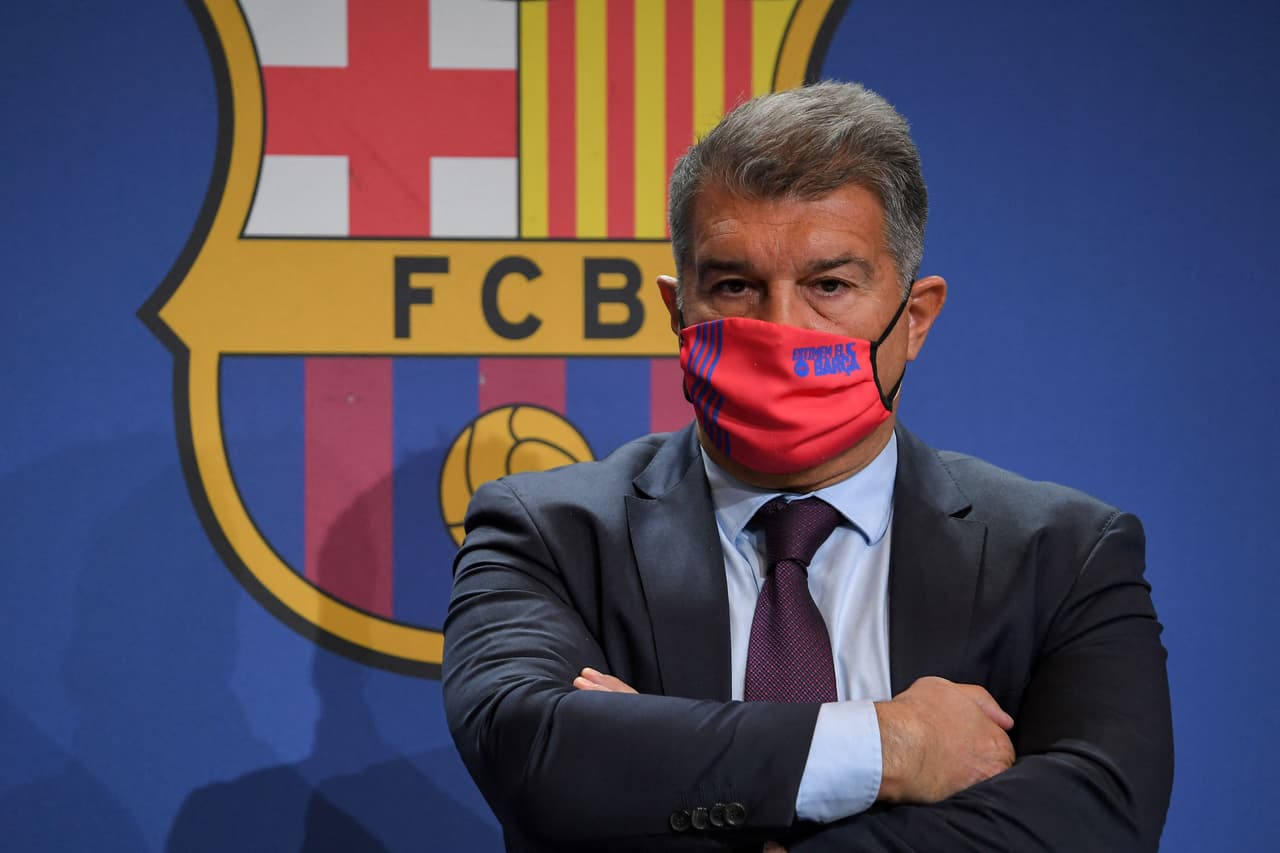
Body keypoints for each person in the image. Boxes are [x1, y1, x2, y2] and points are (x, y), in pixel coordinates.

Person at [442, 81, 1173, 852]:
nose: (781, 328)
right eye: (734, 285)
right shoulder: (546, 534)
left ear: (915, 317)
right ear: (675, 311)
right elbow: (534, 754)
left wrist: (665, 764)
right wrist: (892, 746)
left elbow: (1098, 817)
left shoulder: (1063, 555)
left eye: (829, 285)